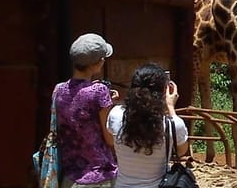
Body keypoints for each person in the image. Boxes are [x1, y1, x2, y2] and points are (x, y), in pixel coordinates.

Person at [106, 64, 189, 188]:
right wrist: (171, 107)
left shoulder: (115, 114)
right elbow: (181, 151)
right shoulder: (173, 124)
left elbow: (111, 141)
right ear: (163, 92)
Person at [55, 33, 118, 188]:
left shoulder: (58, 90)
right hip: (98, 175)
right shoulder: (99, 91)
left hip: (69, 176)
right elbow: (109, 138)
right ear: (97, 63)